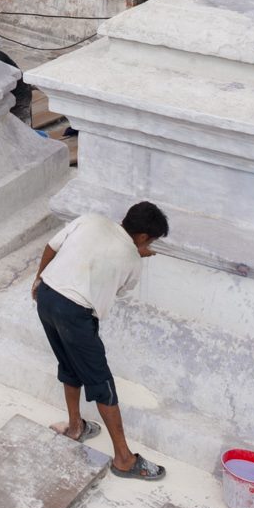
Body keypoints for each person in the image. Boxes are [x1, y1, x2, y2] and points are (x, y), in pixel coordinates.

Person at [32, 201, 169, 482]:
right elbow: (118, 289)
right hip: (75, 312)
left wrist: (38, 280)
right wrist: (136, 254)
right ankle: (124, 459)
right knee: (101, 382)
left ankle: (75, 428)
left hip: (46, 295)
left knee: (69, 363)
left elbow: (51, 247)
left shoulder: (91, 219)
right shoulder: (132, 259)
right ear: (144, 238)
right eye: (151, 240)